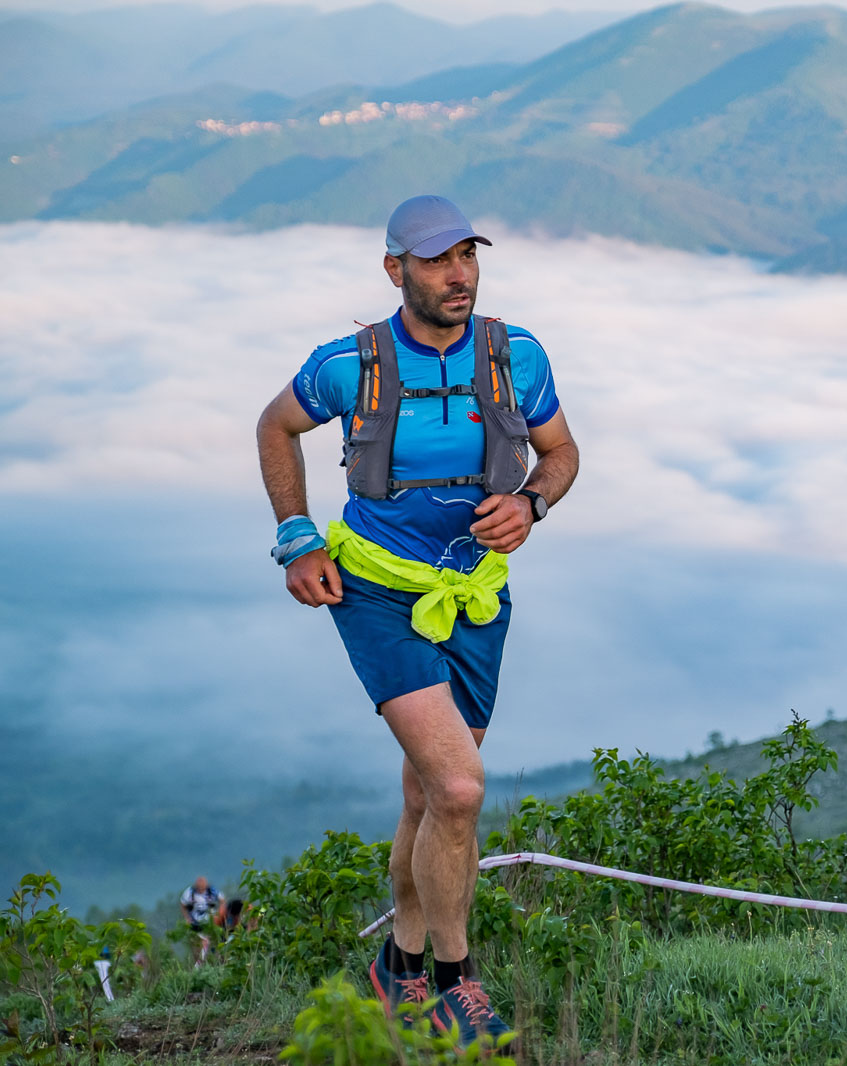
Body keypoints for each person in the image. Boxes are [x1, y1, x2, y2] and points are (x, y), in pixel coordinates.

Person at [255, 195, 579, 1047]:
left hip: (474, 593)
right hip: (374, 592)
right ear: (395, 269)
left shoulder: (516, 355)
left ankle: (395, 967)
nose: (459, 274)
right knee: (463, 787)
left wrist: (533, 504)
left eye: (468, 256)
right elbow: (275, 426)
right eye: (438, 261)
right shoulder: (348, 365)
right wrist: (296, 540)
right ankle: (453, 985)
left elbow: (561, 452)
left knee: (427, 793)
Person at [179, 876, 221, 964]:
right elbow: (183, 904)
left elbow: (222, 900)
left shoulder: (212, 891)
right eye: (199, 886)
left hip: (210, 922)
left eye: (203, 885)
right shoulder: (189, 892)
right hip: (195, 922)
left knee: (212, 942)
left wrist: (219, 915)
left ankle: (214, 961)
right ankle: (199, 962)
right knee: (197, 945)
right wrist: (187, 918)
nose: (201, 888)